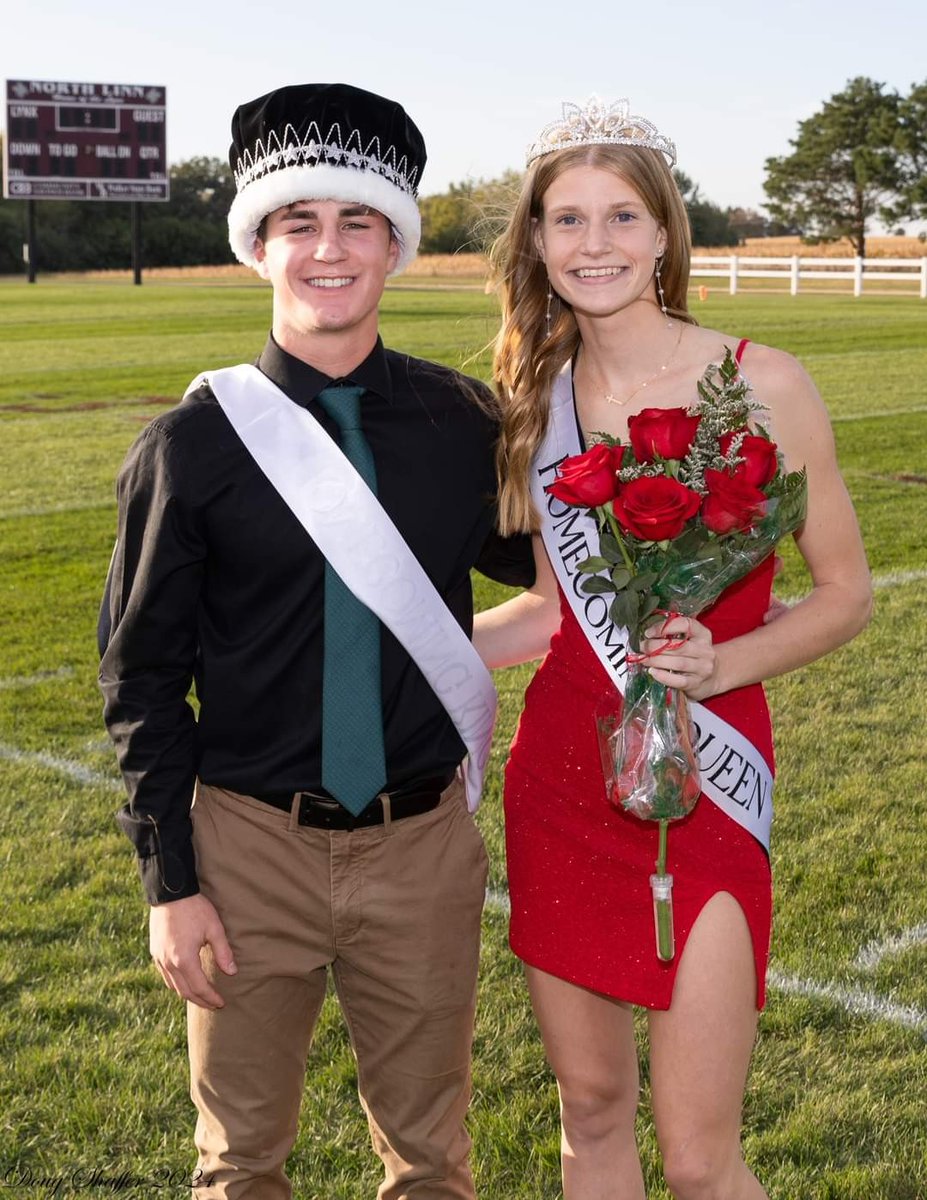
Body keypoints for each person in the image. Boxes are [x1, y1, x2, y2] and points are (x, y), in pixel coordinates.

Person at [98, 82, 532, 1200]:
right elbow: (141, 679)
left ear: (396, 244)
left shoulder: (463, 424)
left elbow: (571, 577)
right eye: (300, 222)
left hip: (421, 845)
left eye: (358, 221)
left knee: (433, 1161)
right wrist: (170, 882)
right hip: (249, 849)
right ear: (259, 244)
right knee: (241, 1163)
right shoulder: (190, 446)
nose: (329, 249)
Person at [473, 97, 872, 1200]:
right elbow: (554, 617)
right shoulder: (534, 400)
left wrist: (721, 665)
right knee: (591, 1116)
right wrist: (410, 647)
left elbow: (846, 595)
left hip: (711, 770)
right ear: (537, 244)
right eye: (566, 220)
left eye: (619, 218)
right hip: (560, 778)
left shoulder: (765, 382)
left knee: (701, 1158)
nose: (592, 244)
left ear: (662, 236)